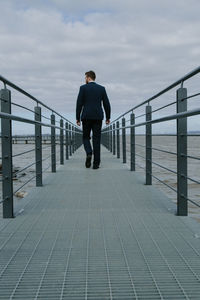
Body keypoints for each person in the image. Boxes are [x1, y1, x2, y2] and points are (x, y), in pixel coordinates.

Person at [76, 70, 111, 169]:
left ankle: (89, 152)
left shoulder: (83, 88)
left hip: (86, 117)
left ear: (88, 77)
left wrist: (77, 118)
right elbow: (106, 104)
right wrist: (108, 117)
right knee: (97, 139)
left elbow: (79, 104)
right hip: (97, 117)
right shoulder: (101, 89)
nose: (85, 80)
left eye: (85, 78)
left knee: (86, 137)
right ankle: (96, 164)